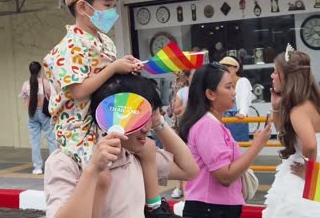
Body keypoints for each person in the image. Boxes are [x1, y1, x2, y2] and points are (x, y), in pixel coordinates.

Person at [44, 0, 165, 212]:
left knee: (146, 151)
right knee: (103, 176)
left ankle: (154, 206)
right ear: (82, 7)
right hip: (77, 128)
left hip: (101, 120)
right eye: (107, 4)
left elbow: (107, 81)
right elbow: (78, 91)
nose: (113, 12)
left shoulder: (104, 41)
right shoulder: (68, 47)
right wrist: (113, 69)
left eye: (114, 5)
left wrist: (126, 67)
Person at [44, 74, 199, 218]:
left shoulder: (135, 153)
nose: (147, 128)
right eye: (138, 117)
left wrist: (159, 122)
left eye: (149, 116)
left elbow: (189, 170)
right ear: (112, 114)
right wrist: (92, 171)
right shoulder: (67, 161)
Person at [179, 63, 271, 218]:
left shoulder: (211, 123)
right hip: (212, 209)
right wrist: (257, 146)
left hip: (214, 207)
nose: (234, 93)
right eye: (228, 87)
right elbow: (224, 176)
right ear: (210, 94)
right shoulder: (208, 125)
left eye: (233, 87)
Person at [262, 50, 320, 217]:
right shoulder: (312, 103)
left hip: (304, 178)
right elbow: (285, 134)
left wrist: (309, 172)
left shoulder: (298, 110)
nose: (272, 76)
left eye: (275, 71)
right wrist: (276, 107)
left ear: (288, 76)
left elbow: (309, 144)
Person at [20, 61, 57, 175]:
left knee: (35, 141)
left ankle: (37, 167)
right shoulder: (45, 83)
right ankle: (53, 167)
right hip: (44, 113)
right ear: (40, 71)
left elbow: (24, 98)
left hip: (32, 114)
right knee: (51, 139)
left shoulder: (26, 84)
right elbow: (52, 97)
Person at [170, 69, 195, 199]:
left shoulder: (205, 91)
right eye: (193, 75)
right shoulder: (182, 92)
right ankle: (179, 187)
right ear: (187, 77)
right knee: (183, 157)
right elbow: (176, 110)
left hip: (201, 129)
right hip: (186, 128)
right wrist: (186, 107)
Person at [219, 56, 253, 142]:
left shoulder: (243, 81)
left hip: (237, 117)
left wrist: (242, 113)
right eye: (223, 66)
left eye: (228, 66)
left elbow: (244, 99)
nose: (225, 69)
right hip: (223, 118)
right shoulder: (222, 82)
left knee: (239, 147)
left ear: (236, 68)